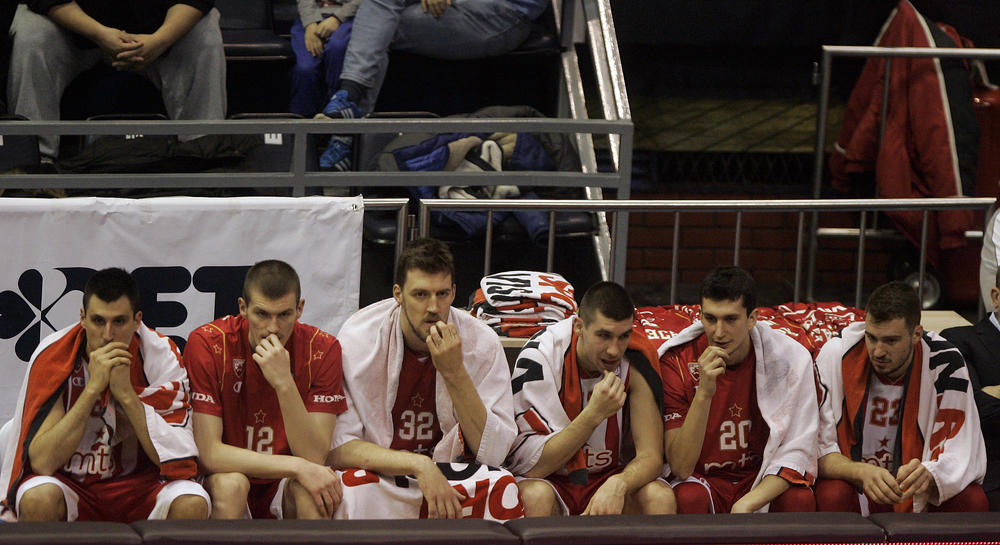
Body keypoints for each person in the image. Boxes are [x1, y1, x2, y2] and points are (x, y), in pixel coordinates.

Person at [328, 237, 517, 519]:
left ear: (454, 293)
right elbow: (338, 447)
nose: (433, 307)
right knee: (349, 490)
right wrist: (418, 465)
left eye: (442, 294)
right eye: (420, 294)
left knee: (503, 486)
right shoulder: (358, 338)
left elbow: (494, 453)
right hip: (382, 473)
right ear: (398, 294)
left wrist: (454, 372)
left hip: (451, 474)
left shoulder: (482, 342)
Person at [0, 268, 208, 521]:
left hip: (142, 486)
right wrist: (91, 390)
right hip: (73, 485)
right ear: (83, 318)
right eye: (98, 321)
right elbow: (43, 462)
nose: (108, 335)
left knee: (192, 502)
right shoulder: (54, 355)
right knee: (38, 498)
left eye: (119, 322)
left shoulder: (161, 355)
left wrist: (127, 396)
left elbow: (179, 462)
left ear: (137, 320)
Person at [185, 260, 346, 519]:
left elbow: (314, 455)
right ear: (243, 308)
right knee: (232, 486)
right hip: (228, 475)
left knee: (314, 493)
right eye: (262, 314)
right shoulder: (207, 343)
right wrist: (297, 466)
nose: (273, 328)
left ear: (300, 309)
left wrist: (284, 383)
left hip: (284, 483)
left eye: (284, 315)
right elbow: (208, 454)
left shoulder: (323, 349)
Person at [815, 281, 988, 513]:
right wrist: (861, 471)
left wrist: (931, 473)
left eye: (891, 341)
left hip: (914, 488)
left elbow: (964, 449)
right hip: (856, 482)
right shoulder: (837, 354)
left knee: (972, 498)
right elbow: (817, 449)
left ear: (916, 334)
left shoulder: (945, 362)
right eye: (871, 337)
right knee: (832, 493)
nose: (878, 351)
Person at [314, 0, 549, 170]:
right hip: (461, 8)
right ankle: (348, 109)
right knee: (378, 19)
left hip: (502, 14)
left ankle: (348, 125)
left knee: (379, 26)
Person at [507, 281, 676, 516]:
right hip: (553, 480)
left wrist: (619, 484)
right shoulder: (541, 356)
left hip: (607, 477)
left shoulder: (636, 358)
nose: (614, 350)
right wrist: (594, 415)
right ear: (579, 326)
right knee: (534, 496)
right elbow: (532, 467)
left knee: (659, 497)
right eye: (604, 336)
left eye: (623, 336)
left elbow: (651, 457)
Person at [659, 266, 819, 513]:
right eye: (710, 319)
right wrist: (704, 392)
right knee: (688, 497)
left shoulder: (789, 359)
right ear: (699, 315)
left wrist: (748, 503)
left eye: (731, 319)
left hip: (759, 476)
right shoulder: (677, 361)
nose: (719, 332)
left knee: (799, 498)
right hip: (704, 480)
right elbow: (681, 467)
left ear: (752, 318)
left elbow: (798, 451)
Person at [7, 0, 226, 158]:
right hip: (72, 28)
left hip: (158, 34)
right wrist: (99, 34)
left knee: (205, 34)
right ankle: (35, 159)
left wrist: (160, 41)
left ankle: (203, 153)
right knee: (33, 33)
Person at [942, 270, 1000, 511]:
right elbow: (974, 410)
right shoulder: (958, 340)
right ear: (996, 297)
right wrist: (984, 397)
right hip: (992, 476)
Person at [289, 0, 360, 117]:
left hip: (350, 15)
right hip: (311, 16)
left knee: (337, 48)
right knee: (305, 69)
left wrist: (338, 18)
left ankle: (335, 112)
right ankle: (302, 119)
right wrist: (310, 24)